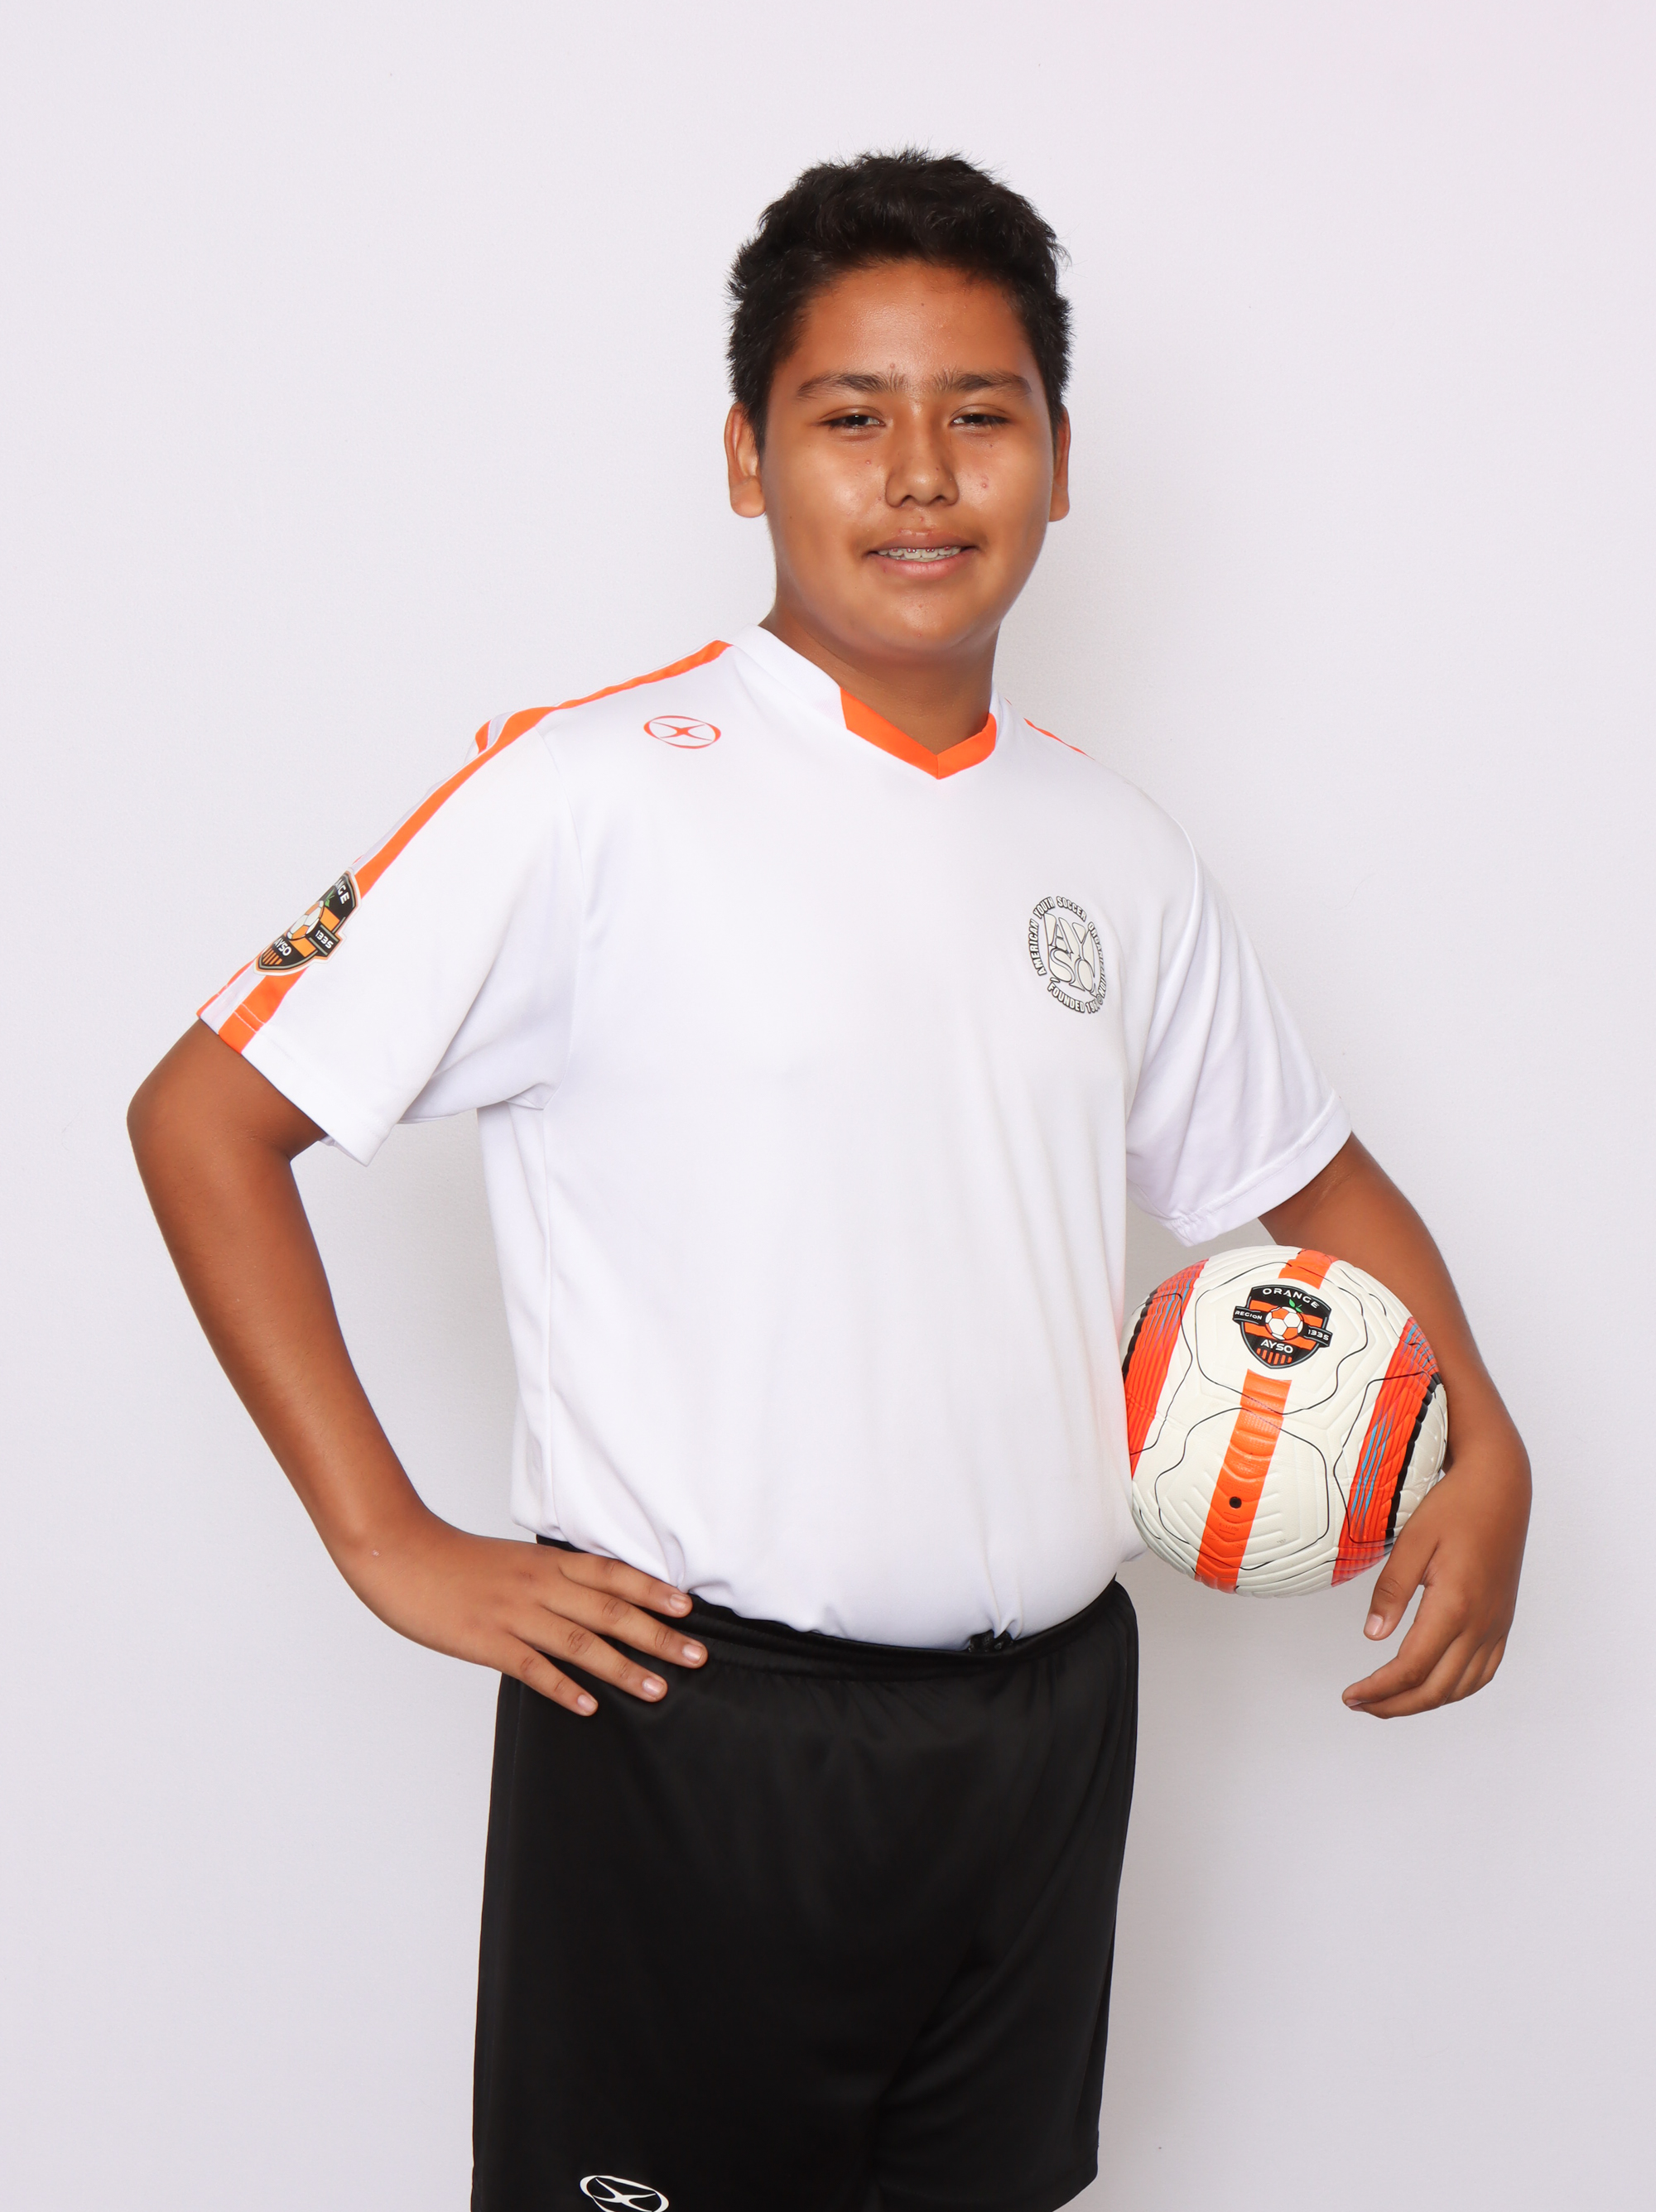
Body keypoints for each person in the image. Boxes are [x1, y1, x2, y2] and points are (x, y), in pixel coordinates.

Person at [129, 151, 1531, 2212]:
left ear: (1061, 461)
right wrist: (383, 1532)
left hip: (1045, 1728)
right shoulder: (586, 793)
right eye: (850, 415)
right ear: (744, 455)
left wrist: (1484, 1436)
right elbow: (203, 1114)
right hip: (697, 1726)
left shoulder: (1110, 845)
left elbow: (1304, 1176)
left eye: (981, 414)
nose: (921, 474)